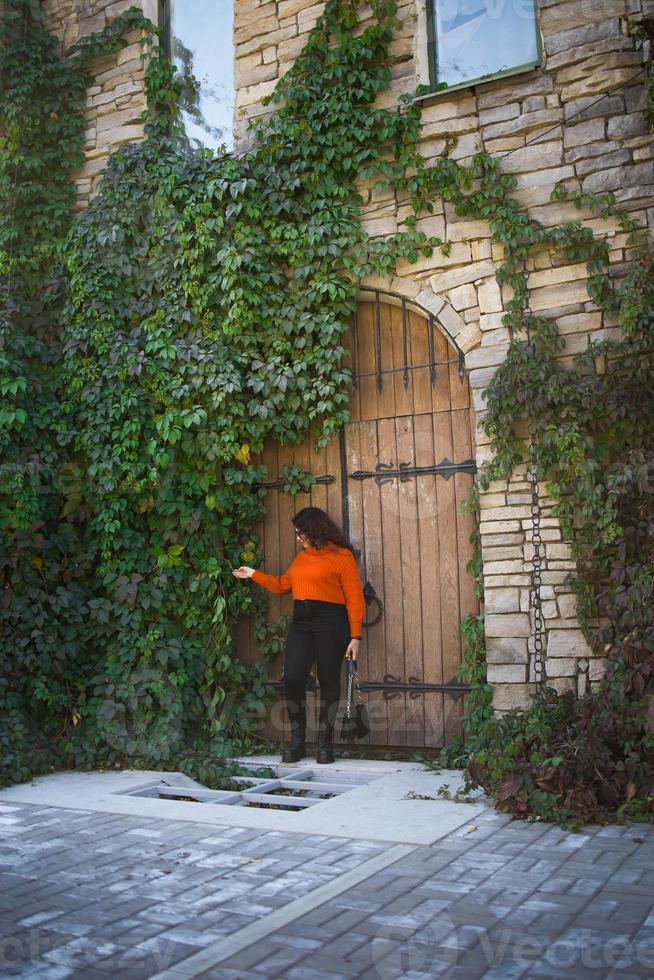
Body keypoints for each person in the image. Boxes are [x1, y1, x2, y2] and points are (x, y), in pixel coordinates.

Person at [233, 506, 365, 764]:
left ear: (314, 530)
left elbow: (354, 598)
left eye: (300, 533)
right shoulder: (302, 558)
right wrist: (253, 574)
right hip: (301, 623)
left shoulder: (342, 556)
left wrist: (356, 636)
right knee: (292, 678)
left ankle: (325, 744)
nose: (297, 538)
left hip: (331, 623)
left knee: (328, 681)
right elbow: (283, 584)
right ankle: (298, 742)